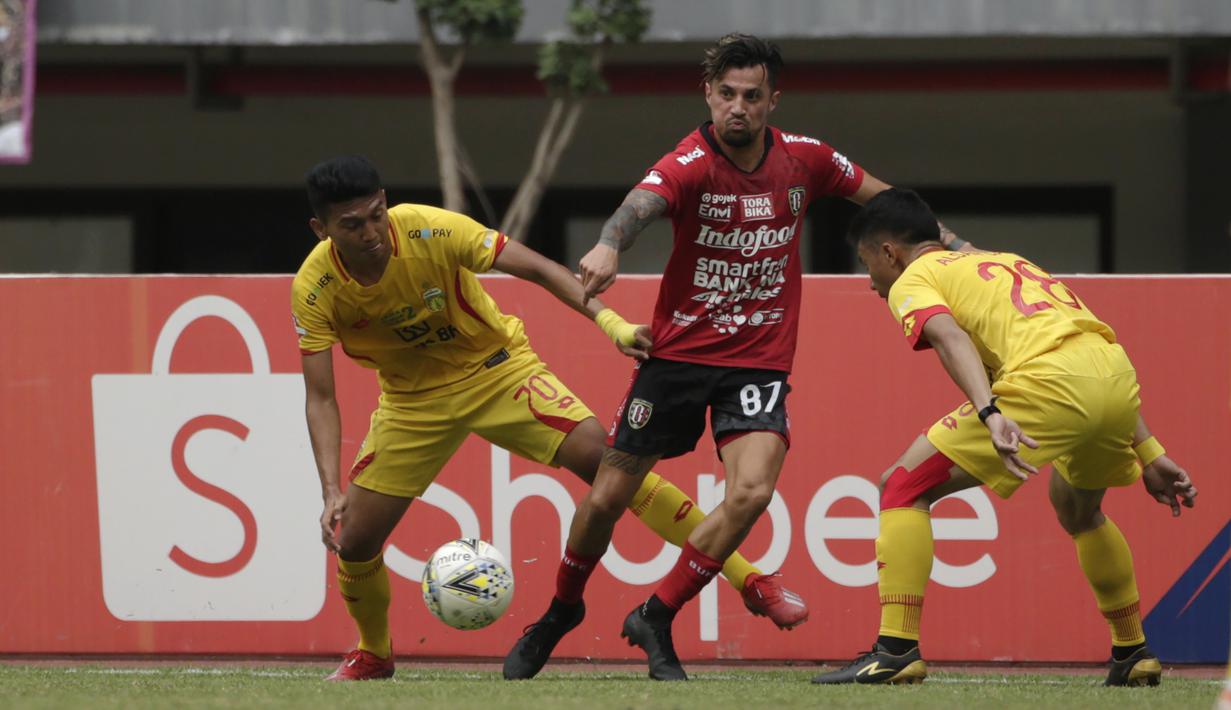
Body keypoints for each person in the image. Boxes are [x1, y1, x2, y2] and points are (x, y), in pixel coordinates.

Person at [504, 34, 964, 682]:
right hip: (676, 357)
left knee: (751, 492)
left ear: (773, 100)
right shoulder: (689, 162)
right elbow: (639, 206)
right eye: (726, 94)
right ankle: (560, 611)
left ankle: (657, 614)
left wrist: (955, 248)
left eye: (751, 96)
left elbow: (890, 205)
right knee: (607, 496)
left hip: (758, 362)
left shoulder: (806, 159)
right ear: (708, 95)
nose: (737, 107)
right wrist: (609, 245)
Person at [291, 155, 805, 682]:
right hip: (411, 403)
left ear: (385, 203)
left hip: (498, 372)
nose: (371, 232)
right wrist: (330, 488)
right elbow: (321, 398)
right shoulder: (314, 287)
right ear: (320, 229)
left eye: (376, 214)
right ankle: (374, 653)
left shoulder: (431, 228)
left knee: (612, 469)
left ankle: (750, 579)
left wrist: (611, 324)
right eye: (351, 225)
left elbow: (538, 268)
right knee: (354, 540)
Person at [810, 188, 1198, 687]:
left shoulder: (915, 277)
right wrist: (1149, 451)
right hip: (1116, 377)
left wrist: (989, 411)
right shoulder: (1007, 261)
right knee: (1078, 510)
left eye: (868, 265)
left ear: (890, 252)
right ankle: (1133, 652)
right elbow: (1086, 354)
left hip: (1049, 382)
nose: (870, 282)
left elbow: (948, 337)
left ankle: (895, 650)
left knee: (902, 484)